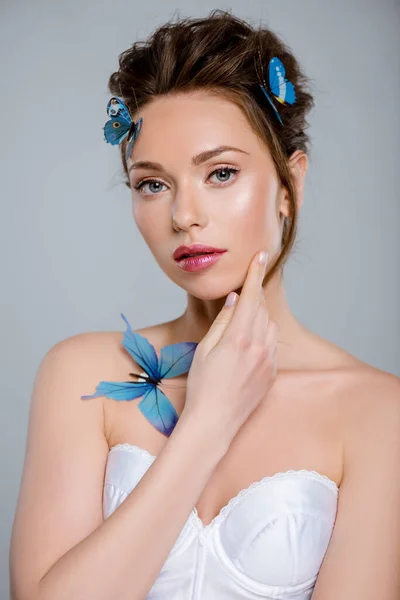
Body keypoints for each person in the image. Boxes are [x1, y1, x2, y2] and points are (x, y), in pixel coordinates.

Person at [9, 9, 400, 600]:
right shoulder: (81, 375)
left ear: (290, 184)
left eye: (219, 173)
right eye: (152, 183)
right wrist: (207, 422)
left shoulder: (379, 413)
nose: (183, 215)